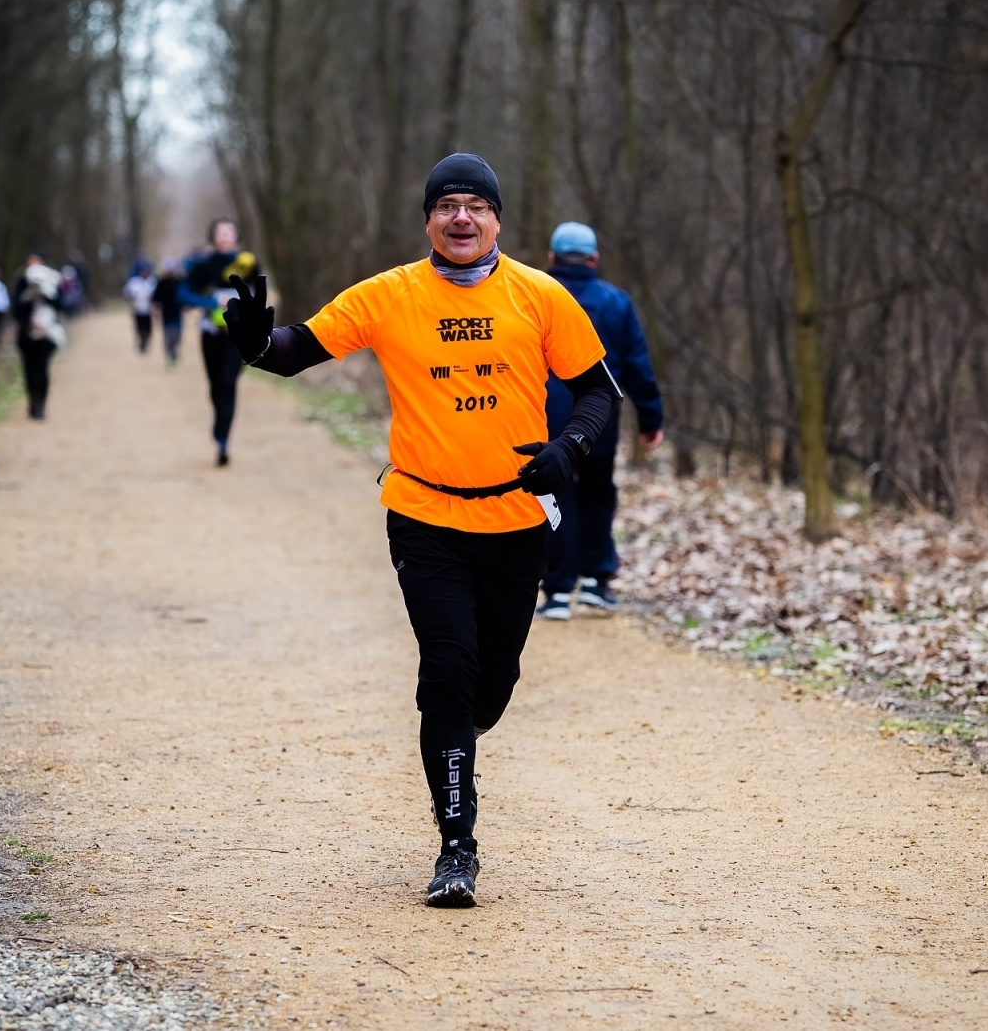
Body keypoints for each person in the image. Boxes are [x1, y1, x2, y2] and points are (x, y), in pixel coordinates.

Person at [222, 153, 619, 908]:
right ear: (429, 220)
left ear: (497, 220)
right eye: (446, 206)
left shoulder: (541, 295)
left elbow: (599, 393)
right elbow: (297, 350)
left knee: (489, 688)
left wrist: (569, 450)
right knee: (448, 671)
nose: (461, 217)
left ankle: (459, 723)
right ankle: (456, 848)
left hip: (516, 518)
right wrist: (253, 344)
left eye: (476, 205)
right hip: (424, 516)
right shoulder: (389, 295)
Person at [537, 222, 664, 620]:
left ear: (552, 257)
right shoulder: (616, 302)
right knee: (597, 494)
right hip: (599, 420)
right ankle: (595, 581)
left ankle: (557, 591)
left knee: (554, 498)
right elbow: (637, 366)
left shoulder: (535, 295)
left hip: (544, 418)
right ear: (594, 258)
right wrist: (651, 419)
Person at [184, 219, 262, 466]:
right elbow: (184, 294)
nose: (225, 236)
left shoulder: (248, 262)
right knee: (216, 385)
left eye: (229, 231)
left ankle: (223, 440)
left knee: (229, 382)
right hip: (211, 333)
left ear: (236, 236)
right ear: (213, 236)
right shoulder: (204, 265)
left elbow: (260, 292)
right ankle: (219, 427)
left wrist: (250, 310)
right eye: (220, 232)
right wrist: (210, 303)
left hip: (239, 335)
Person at [12, 253, 66, 420]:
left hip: (46, 337)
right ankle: (32, 402)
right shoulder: (22, 283)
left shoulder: (52, 284)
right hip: (27, 336)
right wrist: (28, 317)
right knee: (29, 371)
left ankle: (41, 404)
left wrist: (46, 297)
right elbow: (15, 310)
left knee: (42, 369)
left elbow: (60, 305)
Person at [151, 259, 185, 366]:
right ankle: (170, 355)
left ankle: (174, 350)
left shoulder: (179, 282)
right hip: (166, 313)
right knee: (168, 335)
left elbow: (185, 296)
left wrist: (185, 306)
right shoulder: (161, 282)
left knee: (177, 335)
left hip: (177, 312)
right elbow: (155, 297)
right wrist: (157, 306)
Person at [123, 261, 157, 354]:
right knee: (139, 329)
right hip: (137, 310)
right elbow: (126, 293)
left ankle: (145, 342)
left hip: (148, 311)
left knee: (148, 329)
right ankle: (141, 343)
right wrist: (131, 297)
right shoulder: (134, 282)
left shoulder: (152, 282)